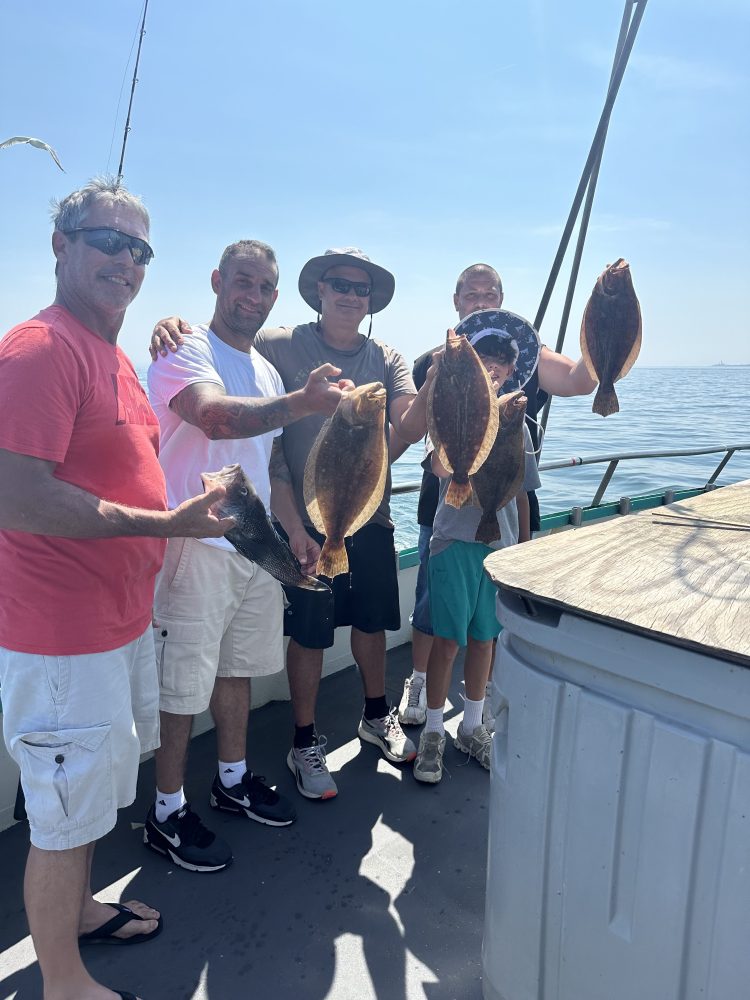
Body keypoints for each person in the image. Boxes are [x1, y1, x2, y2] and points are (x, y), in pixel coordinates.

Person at [0, 179, 233, 1000]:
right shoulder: (40, 348)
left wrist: (182, 511)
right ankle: (63, 982)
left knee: (90, 799)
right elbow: (17, 494)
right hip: (63, 639)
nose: (126, 261)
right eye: (107, 240)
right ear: (61, 245)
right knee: (63, 819)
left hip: (117, 625)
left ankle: (84, 913)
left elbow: (116, 479)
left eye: (139, 249)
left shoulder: (118, 361)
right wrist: (172, 528)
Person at [152, 248, 435, 801]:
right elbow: (217, 375)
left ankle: (362, 722)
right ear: (318, 291)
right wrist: (168, 323)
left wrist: (438, 385)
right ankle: (291, 747)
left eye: (362, 288)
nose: (351, 294)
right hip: (255, 531)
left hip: (332, 521)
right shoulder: (274, 346)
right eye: (339, 284)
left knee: (361, 624)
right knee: (296, 635)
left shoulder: (378, 358)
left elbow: (402, 423)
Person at [144, 240, 353, 872]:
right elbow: (212, 419)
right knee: (182, 685)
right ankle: (166, 810)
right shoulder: (185, 349)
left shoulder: (264, 369)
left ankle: (230, 781)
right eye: (242, 282)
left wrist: (296, 532)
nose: (253, 297)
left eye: (265, 287)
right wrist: (303, 403)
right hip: (195, 547)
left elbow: (273, 475)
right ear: (216, 281)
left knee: (236, 670)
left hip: (254, 547)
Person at [396, 262, 596, 728]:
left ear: (500, 301)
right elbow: (411, 433)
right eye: (470, 293)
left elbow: (579, 381)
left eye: (489, 294)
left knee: (491, 620)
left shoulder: (528, 352)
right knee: (431, 604)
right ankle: (420, 680)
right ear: (456, 301)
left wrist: (601, 335)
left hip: (507, 501)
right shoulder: (434, 360)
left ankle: (479, 707)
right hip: (448, 501)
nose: (480, 300)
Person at [413, 331, 540, 784]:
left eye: (501, 362)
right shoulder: (449, 411)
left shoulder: (519, 423)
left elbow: (523, 492)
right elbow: (440, 468)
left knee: (485, 640)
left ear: (510, 372)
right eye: (483, 359)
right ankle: (432, 731)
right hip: (453, 542)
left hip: (499, 547)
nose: (492, 367)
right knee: (447, 641)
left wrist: (523, 550)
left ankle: (471, 725)